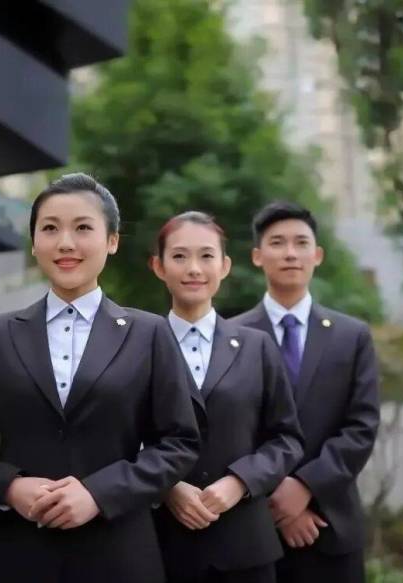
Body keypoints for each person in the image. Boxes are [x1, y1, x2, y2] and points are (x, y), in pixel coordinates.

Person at [0, 173, 200, 583]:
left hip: (118, 553)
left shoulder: (150, 334)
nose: (66, 243)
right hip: (15, 553)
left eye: (83, 228)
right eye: (50, 228)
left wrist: (99, 493)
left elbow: (179, 443)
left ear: (112, 240)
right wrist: (9, 488)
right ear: (34, 242)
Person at [230, 201, 380, 583]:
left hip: (332, 526)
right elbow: (229, 431)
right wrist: (277, 499)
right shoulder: (231, 337)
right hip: (254, 528)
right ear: (257, 256)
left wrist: (305, 486)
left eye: (301, 243)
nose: (290, 253)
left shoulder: (352, 336)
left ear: (318, 255)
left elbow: (361, 427)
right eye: (277, 242)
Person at [150, 211, 304, 583]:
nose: (194, 268)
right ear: (159, 266)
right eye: (179, 256)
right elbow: (121, 436)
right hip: (160, 544)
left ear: (225, 266)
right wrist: (167, 487)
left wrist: (239, 482)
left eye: (206, 256)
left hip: (244, 545)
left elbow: (286, 439)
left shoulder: (257, 347)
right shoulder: (138, 344)